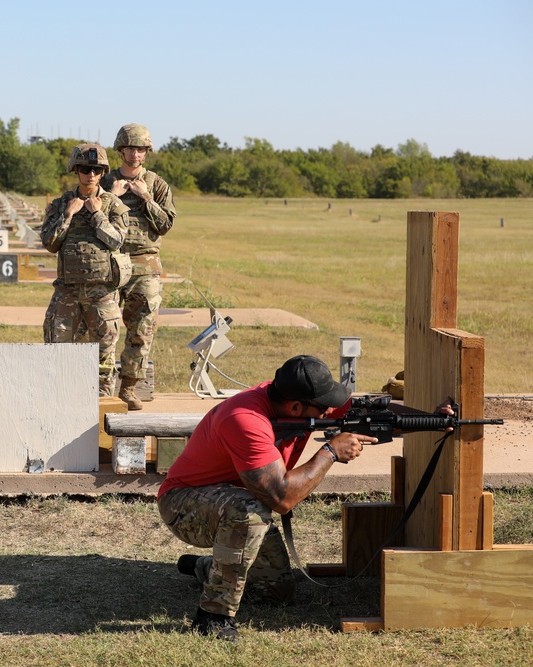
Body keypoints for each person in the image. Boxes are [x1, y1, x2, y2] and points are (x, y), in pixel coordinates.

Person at [158, 354, 454, 640]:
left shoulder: (296, 399)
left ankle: (206, 567)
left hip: (231, 502)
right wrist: (330, 452)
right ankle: (213, 617)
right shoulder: (245, 420)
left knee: (276, 590)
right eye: (324, 409)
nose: (330, 413)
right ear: (297, 408)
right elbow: (280, 498)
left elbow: (371, 416)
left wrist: (433, 419)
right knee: (247, 509)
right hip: (184, 505)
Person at [40, 144, 130, 396]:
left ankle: (102, 409)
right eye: (84, 169)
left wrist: (97, 215)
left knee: (103, 355)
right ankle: (60, 399)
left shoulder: (113, 205)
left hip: (101, 292)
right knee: (57, 349)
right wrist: (67, 216)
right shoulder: (61, 205)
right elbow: (49, 243)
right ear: (75, 170)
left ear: (103, 172)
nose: (90, 175)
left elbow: (117, 240)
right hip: (67, 292)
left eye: (96, 169)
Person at [100, 124, 176, 410]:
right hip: (108, 262)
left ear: (147, 152)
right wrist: (113, 197)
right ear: (120, 150)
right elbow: (89, 217)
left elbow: (165, 225)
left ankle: (129, 387)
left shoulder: (156, 185)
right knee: (104, 329)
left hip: (145, 264)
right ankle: (102, 389)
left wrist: (146, 198)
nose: (135, 154)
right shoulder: (104, 182)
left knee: (141, 329)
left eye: (140, 149)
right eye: (130, 148)